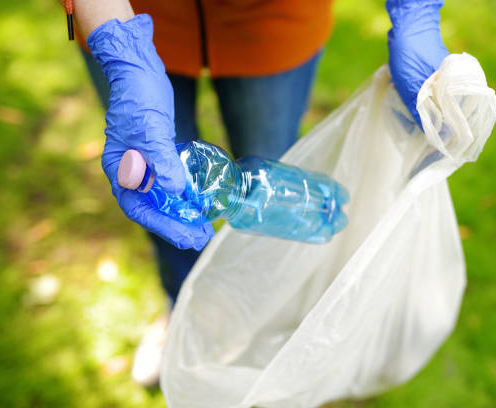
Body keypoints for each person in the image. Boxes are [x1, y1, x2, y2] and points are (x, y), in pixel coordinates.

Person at [71, 0, 449, 387]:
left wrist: (414, 11)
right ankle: (184, 310)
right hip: (122, 9)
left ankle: (263, 316)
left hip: (271, 15)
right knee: (171, 210)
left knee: (272, 166)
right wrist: (122, 53)